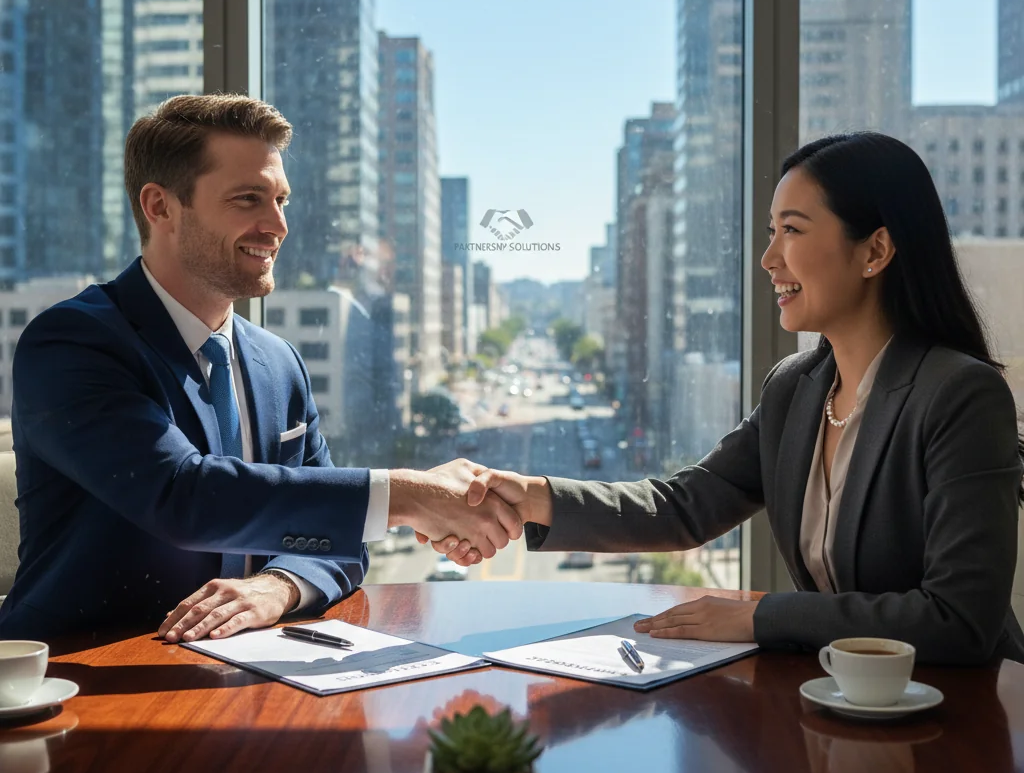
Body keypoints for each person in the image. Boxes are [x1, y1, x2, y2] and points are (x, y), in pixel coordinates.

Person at [431, 132, 1024, 665]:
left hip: (964, 720)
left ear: (874, 251)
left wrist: (758, 617)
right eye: (772, 233)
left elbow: (958, 619)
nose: (769, 259)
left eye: (791, 230)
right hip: (845, 705)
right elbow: (685, 507)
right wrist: (531, 498)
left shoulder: (959, 396)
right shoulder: (795, 388)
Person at [0, 94, 520, 642]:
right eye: (249, 199)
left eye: (281, 200)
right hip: (81, 678)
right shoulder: (72, 343)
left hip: (243, 679)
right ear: (161, 207)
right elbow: (181, 496)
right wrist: (410, 495)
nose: (277, 225)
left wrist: (277, 587)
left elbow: (339, 539)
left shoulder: (278, 362)